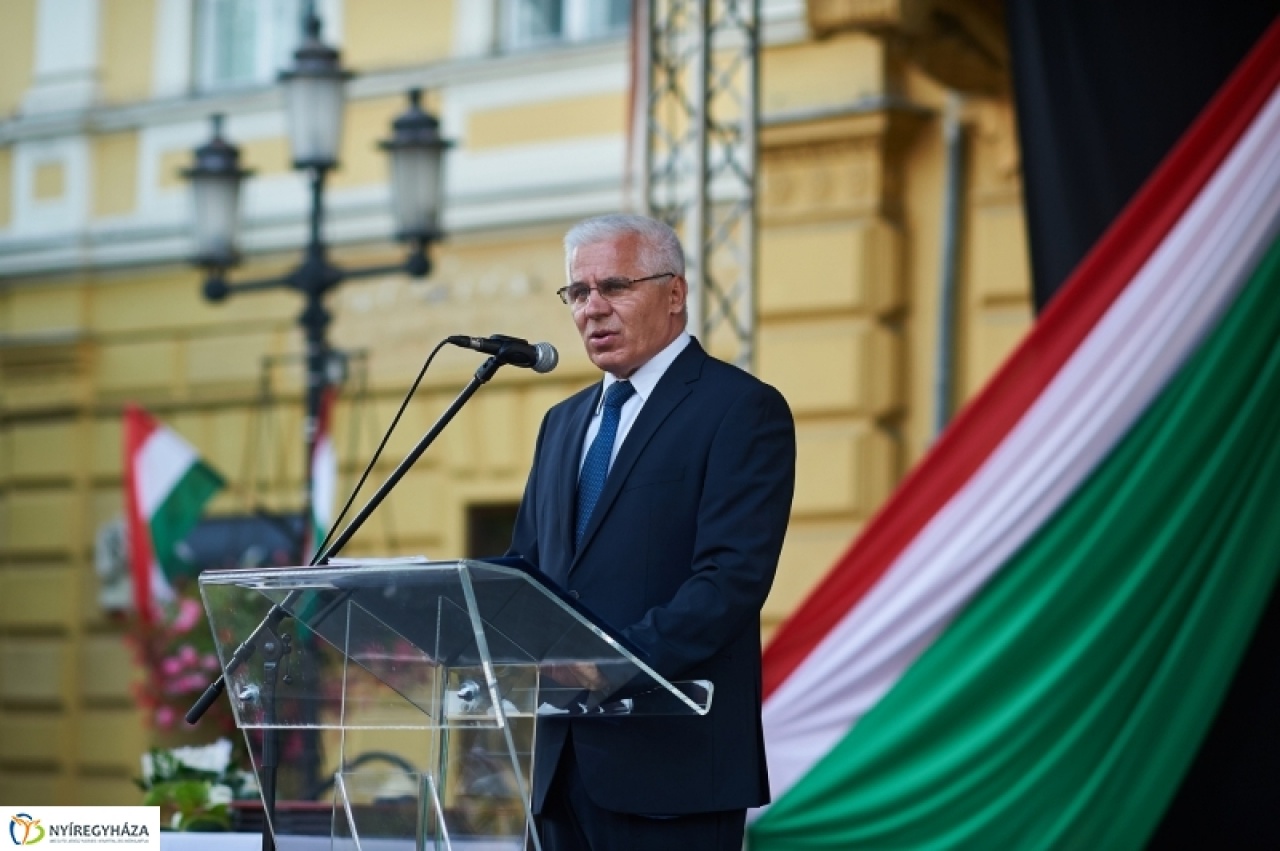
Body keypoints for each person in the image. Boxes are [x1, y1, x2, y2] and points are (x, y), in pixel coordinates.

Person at [507, 213, 796, 850]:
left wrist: (610, 663)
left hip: (671, 772)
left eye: (614, 286)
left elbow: (730, 580)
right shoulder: (562, 423)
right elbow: (526, 568)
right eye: (578, 292)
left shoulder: (739, 409)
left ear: (675, 293)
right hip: (556, 773)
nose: (592, 308)